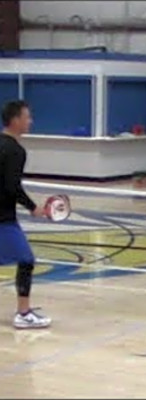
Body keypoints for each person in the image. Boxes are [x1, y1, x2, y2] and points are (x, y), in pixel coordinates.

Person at [0, 100, 51, 329]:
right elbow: (13, 186)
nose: (30, 121)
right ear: (15, 120)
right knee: (26, 260)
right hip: (3, 219)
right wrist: (33, 207)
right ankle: (23, 314)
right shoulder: (15, 151)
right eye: (27, 117)